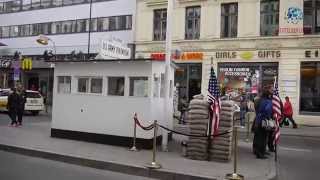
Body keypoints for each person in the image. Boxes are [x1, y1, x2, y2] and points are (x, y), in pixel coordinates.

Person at [252, 87, 273, 159]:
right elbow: (267, 110)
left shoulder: (259, 100)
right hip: (264, 120)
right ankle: (260, 153)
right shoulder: (267, 101)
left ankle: (258, 151)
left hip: (259, 119)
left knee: (259, 137)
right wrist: (268, 117)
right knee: (263, 138)